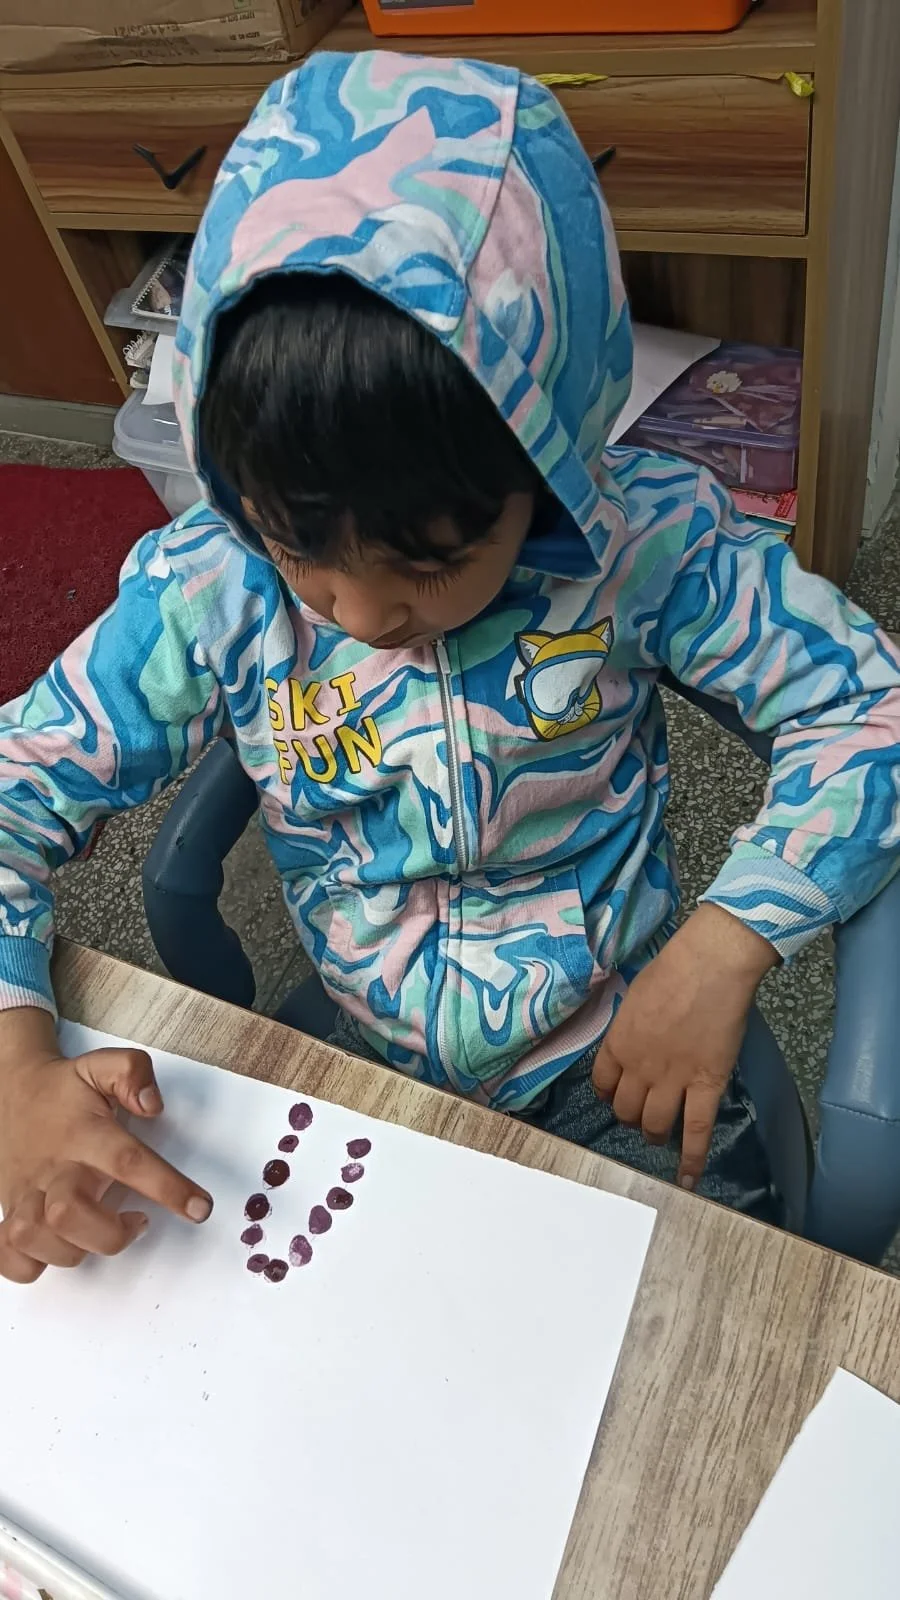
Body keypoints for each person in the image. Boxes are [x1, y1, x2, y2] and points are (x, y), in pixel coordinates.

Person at [1, 51, 899, 1286]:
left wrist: (729, 938)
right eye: (301, 551)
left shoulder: (643, 541)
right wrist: (13, 1061)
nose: (363, 613)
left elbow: (871, 702)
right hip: (360, 1056)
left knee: (696, 1354)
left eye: (428, 563)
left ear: (541, 469)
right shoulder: (213, 584)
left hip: (611, 1064)